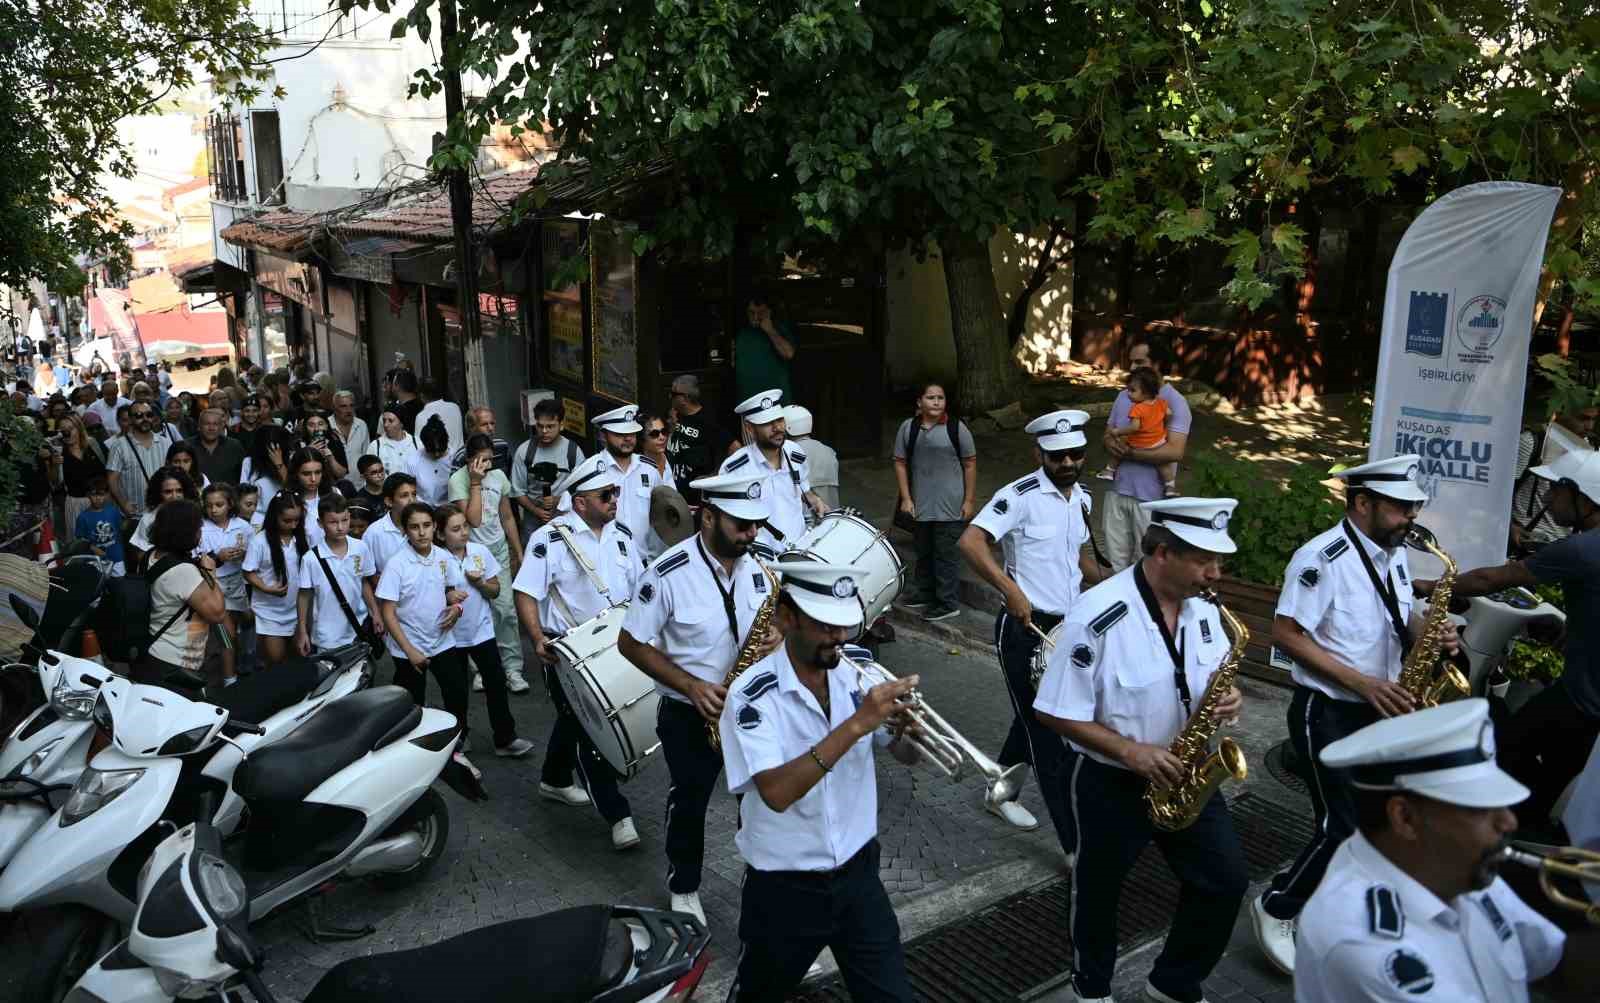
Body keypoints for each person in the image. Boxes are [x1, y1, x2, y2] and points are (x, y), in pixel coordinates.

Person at [1034, 497, 1249, 1003]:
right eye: (1204, 560)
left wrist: (1229, 699)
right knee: (1098, 892)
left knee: (1226, 880)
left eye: (1219, 561)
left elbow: (1211, 676)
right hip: (1113, 780)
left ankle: (1172, 983)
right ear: (1161, 553)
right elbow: (1052, 710)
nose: (1215, 573)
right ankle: (1091, 989)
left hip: (1187, 771)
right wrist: (1131, 753)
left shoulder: (1205, 610)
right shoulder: (1097, 616)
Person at [1252, 454, 1457, 975]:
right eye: (1401, 507)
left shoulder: (1393, 550)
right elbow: (1286, 633)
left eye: (1414, 506)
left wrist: (1430, 630)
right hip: (1330, 709)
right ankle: (1278, 908)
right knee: (1341, 825)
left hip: (1378, 707)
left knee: (1376, 823)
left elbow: (1397, 611)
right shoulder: (1323, 557)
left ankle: (1326, 903)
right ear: (1363, 503)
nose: (1412, 516)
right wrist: (1363, 682)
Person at [1294, 699, 1600, 1003]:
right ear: (1405, 818)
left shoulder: (1455, 867)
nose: (1509, 822)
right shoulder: (1366, 947)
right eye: (1481, 809)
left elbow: (1556, 963)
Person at [719, 562, 922, 1002]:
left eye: (844, 625)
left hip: (859, 877)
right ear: (786, 617)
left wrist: (912, 734)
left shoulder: (860, 671)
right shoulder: (751, 695)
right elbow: (776, 792)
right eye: (824, 625)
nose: (839, 637)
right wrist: (857, 724)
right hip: (784, 889)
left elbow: (903, 755)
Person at [617, 470, 781, 924]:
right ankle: (684, 885)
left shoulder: (763, 564)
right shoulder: (666, 573)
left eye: (756, 525)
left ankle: (766, 885)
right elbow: (630, 643)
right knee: (690, 800)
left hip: (752, 707)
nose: (753, 534)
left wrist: (780, 638)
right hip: (691, 712)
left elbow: (783, 620)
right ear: (708, 517)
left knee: (763, 800)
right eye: (742, 525)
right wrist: (691, 685)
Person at [1415, 448, 1600, 839]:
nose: (1548, 499)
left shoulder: (1582, 549)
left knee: (1511, 747)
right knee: (1552, 768)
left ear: (1582, 497)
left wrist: (1431, 586)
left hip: (1584, 701)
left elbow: (1490, 581)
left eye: (1555, 491)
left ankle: (1509, 841)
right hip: (1586, 693)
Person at [958, 409, 1104, 841]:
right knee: (1047, 729)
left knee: (1030, 718)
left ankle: (1000, 793)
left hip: (1069, 628)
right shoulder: (1018, 495)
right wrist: (1011, 589)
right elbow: (970, 541)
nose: (1067, 464)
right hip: (1025, 627)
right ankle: (1075, 844)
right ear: (1039, 452)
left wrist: (1119, 583)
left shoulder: (1084, 498)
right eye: (1057, 456)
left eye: (1075, 454)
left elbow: (1077, 558)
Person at [513, 455, 642, 849]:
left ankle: (553, 778)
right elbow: (526, 592)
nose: (614, 500)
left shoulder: (622, 537)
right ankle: (617, 814)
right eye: (606, 495)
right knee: (593, 727)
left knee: (572, 720)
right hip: (567, 653)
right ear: (581, 502)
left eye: (615, 493)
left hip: (615, 649)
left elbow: (639, 593)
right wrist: (537, 639)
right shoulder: (550, 539)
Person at [435, 501, 532, 758]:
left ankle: (505, 738)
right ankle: (458, 740)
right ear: (441, 534)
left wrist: (479, 583)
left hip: (482, 631)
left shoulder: (480, 551)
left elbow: (496, 589)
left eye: (465, 526)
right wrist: (447, 595)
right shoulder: (435, 559)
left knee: (497, 684)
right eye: (455, 529)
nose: (463, 532)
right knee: (455, 692)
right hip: (450, 637)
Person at [376, 502, 472, 747]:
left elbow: (450, 591)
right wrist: (410, 652)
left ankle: (457, 743)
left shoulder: (443, 557)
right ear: (405, 531)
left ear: (434, 528)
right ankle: (411, 749)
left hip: (442, 641)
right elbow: (388, 613)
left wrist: (456, 609)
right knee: (412, 703)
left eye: (426, 526)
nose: (421, 532)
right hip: (408, 646)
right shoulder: (397, 564)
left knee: (457, 693)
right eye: (414, 527)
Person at [1101, 341, 1193, 571]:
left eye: (1139, 362)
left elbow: (1175, 451)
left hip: (1151, 499)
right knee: (1114, 565)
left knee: (1145, 566)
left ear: (1159, 364)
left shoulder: (1176, 403)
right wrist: (1112, 445)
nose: (1132, 366)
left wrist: (1130, 453)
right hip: (1116, 491)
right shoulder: (1125, 396)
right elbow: (1107, 435)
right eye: (1131, 361)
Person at [448, 434, 528, 694]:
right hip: (470, 552)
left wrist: (518, 551)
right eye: (480, 459)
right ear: (469, 459)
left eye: (489, 459)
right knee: (476, 612)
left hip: (499, 551)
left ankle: (512, 668)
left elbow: (506, 517)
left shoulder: (500, 478)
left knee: (506, 610)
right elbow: (473, 520)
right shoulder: (457, 481)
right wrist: (474, 483)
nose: (486, 464)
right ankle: (480, 668)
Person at [894, 382, 977, 622]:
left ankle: (947, 602)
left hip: (951, 504)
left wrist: (969, 500)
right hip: (920, 504)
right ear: (919, 402)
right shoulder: (908, 428)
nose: (937, 402)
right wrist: (907, 498)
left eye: (940, 397)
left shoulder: (956, 428)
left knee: (946, 554)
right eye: (931, 397)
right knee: (924, 552)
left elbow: (970, 464)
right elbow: (899, 462)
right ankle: (925, 593)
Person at [720, 390, 827, 553]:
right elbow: (727, 522)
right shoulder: (735, 469)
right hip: (761, 558)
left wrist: (813, 499)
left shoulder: (795, 453)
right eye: (767, 423)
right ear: (749, 428)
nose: (777, 428)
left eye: (779, 420)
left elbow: (803, 490)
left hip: (799, 551)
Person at [137, 499, 226, 688]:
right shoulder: (183, 571)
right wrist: (210, 572)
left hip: (155, 652)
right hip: (175, 663)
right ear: (185, 532)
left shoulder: (150, 556)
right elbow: (217, 613)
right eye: (198, 528)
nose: (201, 533)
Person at [294, 493, 380, 658]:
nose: (340, 527)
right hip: (327, 637)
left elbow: (363, 582)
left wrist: (375, 612)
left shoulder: (360, 548)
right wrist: (303, 630)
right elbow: (304, 596)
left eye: (344, 520)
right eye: (333, 522)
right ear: (320, 523)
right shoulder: (310, 559)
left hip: (358, 628)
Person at [1510, 401, 1597, 554]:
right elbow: (1500, 491)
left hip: (1566, 545)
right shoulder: (1531, 442)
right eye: (1582, 418)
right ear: (1560, 412)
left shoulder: (1588, 451)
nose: (1589, 426)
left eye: (1593, 419)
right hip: (1524, 541)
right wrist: (1509, 527)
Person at [566, 403, 659, 543]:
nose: (628, 438)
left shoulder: (650, 469)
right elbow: (568, 516)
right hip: (606, 559)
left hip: (646, 559)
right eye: (620, 434)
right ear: (603, 436)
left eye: (632, 433)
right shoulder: (590, 472)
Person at [243, 492, 309, 667]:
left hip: (297, 610)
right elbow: (248, 572)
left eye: (297, 520)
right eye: (287, 521)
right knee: (276, 660)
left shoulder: (302, 537)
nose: (293, 525)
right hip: (270, 612)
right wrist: (266, 588)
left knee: (298, 659)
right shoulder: (259, 541)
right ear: (274, 517)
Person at [201, 482, 251, 683]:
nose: (213, 509)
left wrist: (245, 554)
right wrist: (218, 556)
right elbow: (199, 560)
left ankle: (243, 663)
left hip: (240, 583)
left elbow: (255, 555)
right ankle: (229, 679)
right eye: (209, 505)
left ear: (230, 504)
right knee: (226, 634)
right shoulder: (202, 528)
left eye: (219, 504)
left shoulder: (243, 526)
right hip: (215, 586)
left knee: (245, 623)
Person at [1101, 368, 1178, 497]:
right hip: (1157, 441)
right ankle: (1170, 487)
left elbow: (1134, 428)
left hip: (1139, 442)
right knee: (1163, 465)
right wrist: (1163, 425)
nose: (1128, 393)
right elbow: (1170, 414)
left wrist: (1117, 431)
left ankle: (1109, 470)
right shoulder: (1161, 403)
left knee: (1119, 449)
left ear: (1146, 393)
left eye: (1132, 390)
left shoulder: (1137, 408)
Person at [511, 397, 585, 530]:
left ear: (561, 425)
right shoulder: (525, 451)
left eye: (550, 426)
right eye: (540, 426)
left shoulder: (573, 452)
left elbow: (582, 489)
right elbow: (518, 491)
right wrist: (536, 511)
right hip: (533, 520)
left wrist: (558, 500)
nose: (544, 431)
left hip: (565, 517)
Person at [105, 399, 179, 518]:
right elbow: (112, 480)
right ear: (131, 419)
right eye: (139, 415)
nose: (145, 419)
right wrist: (123, 504)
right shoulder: (119, 445)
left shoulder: (165, 443)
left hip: (162, 513)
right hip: (135, 516)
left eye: (149, 415)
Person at [127, 466, 201, 571]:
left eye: (179, 491)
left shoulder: (194, 514)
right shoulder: (149, 519)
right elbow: (142, 556)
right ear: (158, 493)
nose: (175, 496)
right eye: (168, 492)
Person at [733, 294, 796, 406]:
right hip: (749, 401)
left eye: (761, 313)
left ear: (769, 312)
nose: (756, 317)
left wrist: (770, 330)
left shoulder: (779, 329)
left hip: (776, 401)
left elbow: (788, 353)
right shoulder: (741, 334)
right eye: (752, 313)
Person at [782, 405, 838, 526]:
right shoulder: (829, 451)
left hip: (806, 527)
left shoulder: (786, 454)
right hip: (833, 521)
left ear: (787, 428)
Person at [634, 410, 678, 560]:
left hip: (669, 544)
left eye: (664, 432)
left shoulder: (667, 459)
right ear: (642, 439)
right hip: (646, 552)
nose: (662, 437)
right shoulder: (636, 468)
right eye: (654, 434)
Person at [57, 413, 107, 545]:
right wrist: (55, 465)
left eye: (70, 428)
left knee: (104, 542)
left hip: (100, 501)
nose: (67, 433)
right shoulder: (59, 453)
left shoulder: (93, 445)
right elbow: (56, 483)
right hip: (76, 505)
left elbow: (108, 471)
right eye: (64, 431)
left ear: (79, 428)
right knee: (80, 545)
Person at [365, 472, 419, 576]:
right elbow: (369, 575)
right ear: (389, 501)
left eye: (414, 494)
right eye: (404, 496)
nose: (412, 501)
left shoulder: (425, 526)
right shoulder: (374, 533)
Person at [74, 474, 126, 575]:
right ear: (88, 495)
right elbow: (80, 540)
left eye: (101, 494)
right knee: (98, 587)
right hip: (95, 561)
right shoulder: (83, 517)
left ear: (107, 494)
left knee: (119, 585)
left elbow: (119, 533)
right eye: (94, 494)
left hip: (116, 558)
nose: (98, 498)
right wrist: (94, 548)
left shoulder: (113, 511)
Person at [239, 423, 293, 513]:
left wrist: (279, 464)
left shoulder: (289, 461)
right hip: (256, 515)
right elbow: (243, 493)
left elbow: (292, 489)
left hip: (283, 514)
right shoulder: (249, 462)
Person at [286, 446, 333, 547]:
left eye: (318, 472)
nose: (313, 479)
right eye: (306, 474)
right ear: (296, 474)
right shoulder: (287, 500)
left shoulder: (334, 494)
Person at [189, 407, 246, 487]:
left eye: (215, 424)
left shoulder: (235, 446)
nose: (211, 428)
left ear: (221, 426)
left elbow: (244, 476)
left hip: (229, 497)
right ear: (199, 426)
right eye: (207, 424)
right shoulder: (187, 446)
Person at [408, 414, 454, 505]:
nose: (436, 454)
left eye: (440, 450)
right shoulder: (413, 460)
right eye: (431, 451)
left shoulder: (455, 459)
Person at [449, 406, 512, 473]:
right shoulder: (461, 456)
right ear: (471, 428)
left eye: (492, 423)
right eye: (484, 424)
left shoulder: (502, 446)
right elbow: (455, 482)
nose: (490, 428)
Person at [328, 391, 370, 488]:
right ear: (334, 408)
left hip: (359, 485)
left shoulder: (361, 425)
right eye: (343, 406)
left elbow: (366, 455)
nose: (349, 410)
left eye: (351, 405)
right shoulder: (327, 426)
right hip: (335, 486)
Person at [299, 411, 349, 484]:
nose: (316, 429)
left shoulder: (334, 442)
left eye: (320, 424)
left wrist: (331, 458)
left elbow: (341, 474)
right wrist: (307, 452)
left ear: (327, 426)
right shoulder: (299, 444)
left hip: (330, 486)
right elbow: (293, 473)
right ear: (305, 428)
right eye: (311, 425)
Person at [415, 378, 462, 456]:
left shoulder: (421, 417)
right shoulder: (455, 408)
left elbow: (420, 446)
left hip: (437, 463)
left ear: (421, 396)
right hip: (458, 460)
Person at [367, 409, 421, 475]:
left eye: (390, 421)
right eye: (384, 421)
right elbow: (369, 474)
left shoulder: (417, 443)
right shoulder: (375, 446)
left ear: (401, 424)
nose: (386, 425)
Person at [390, 368, 423, 432]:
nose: (392, 387)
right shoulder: (423, 406)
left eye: (393, 384)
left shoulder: (397, 413)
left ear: (398, 386)